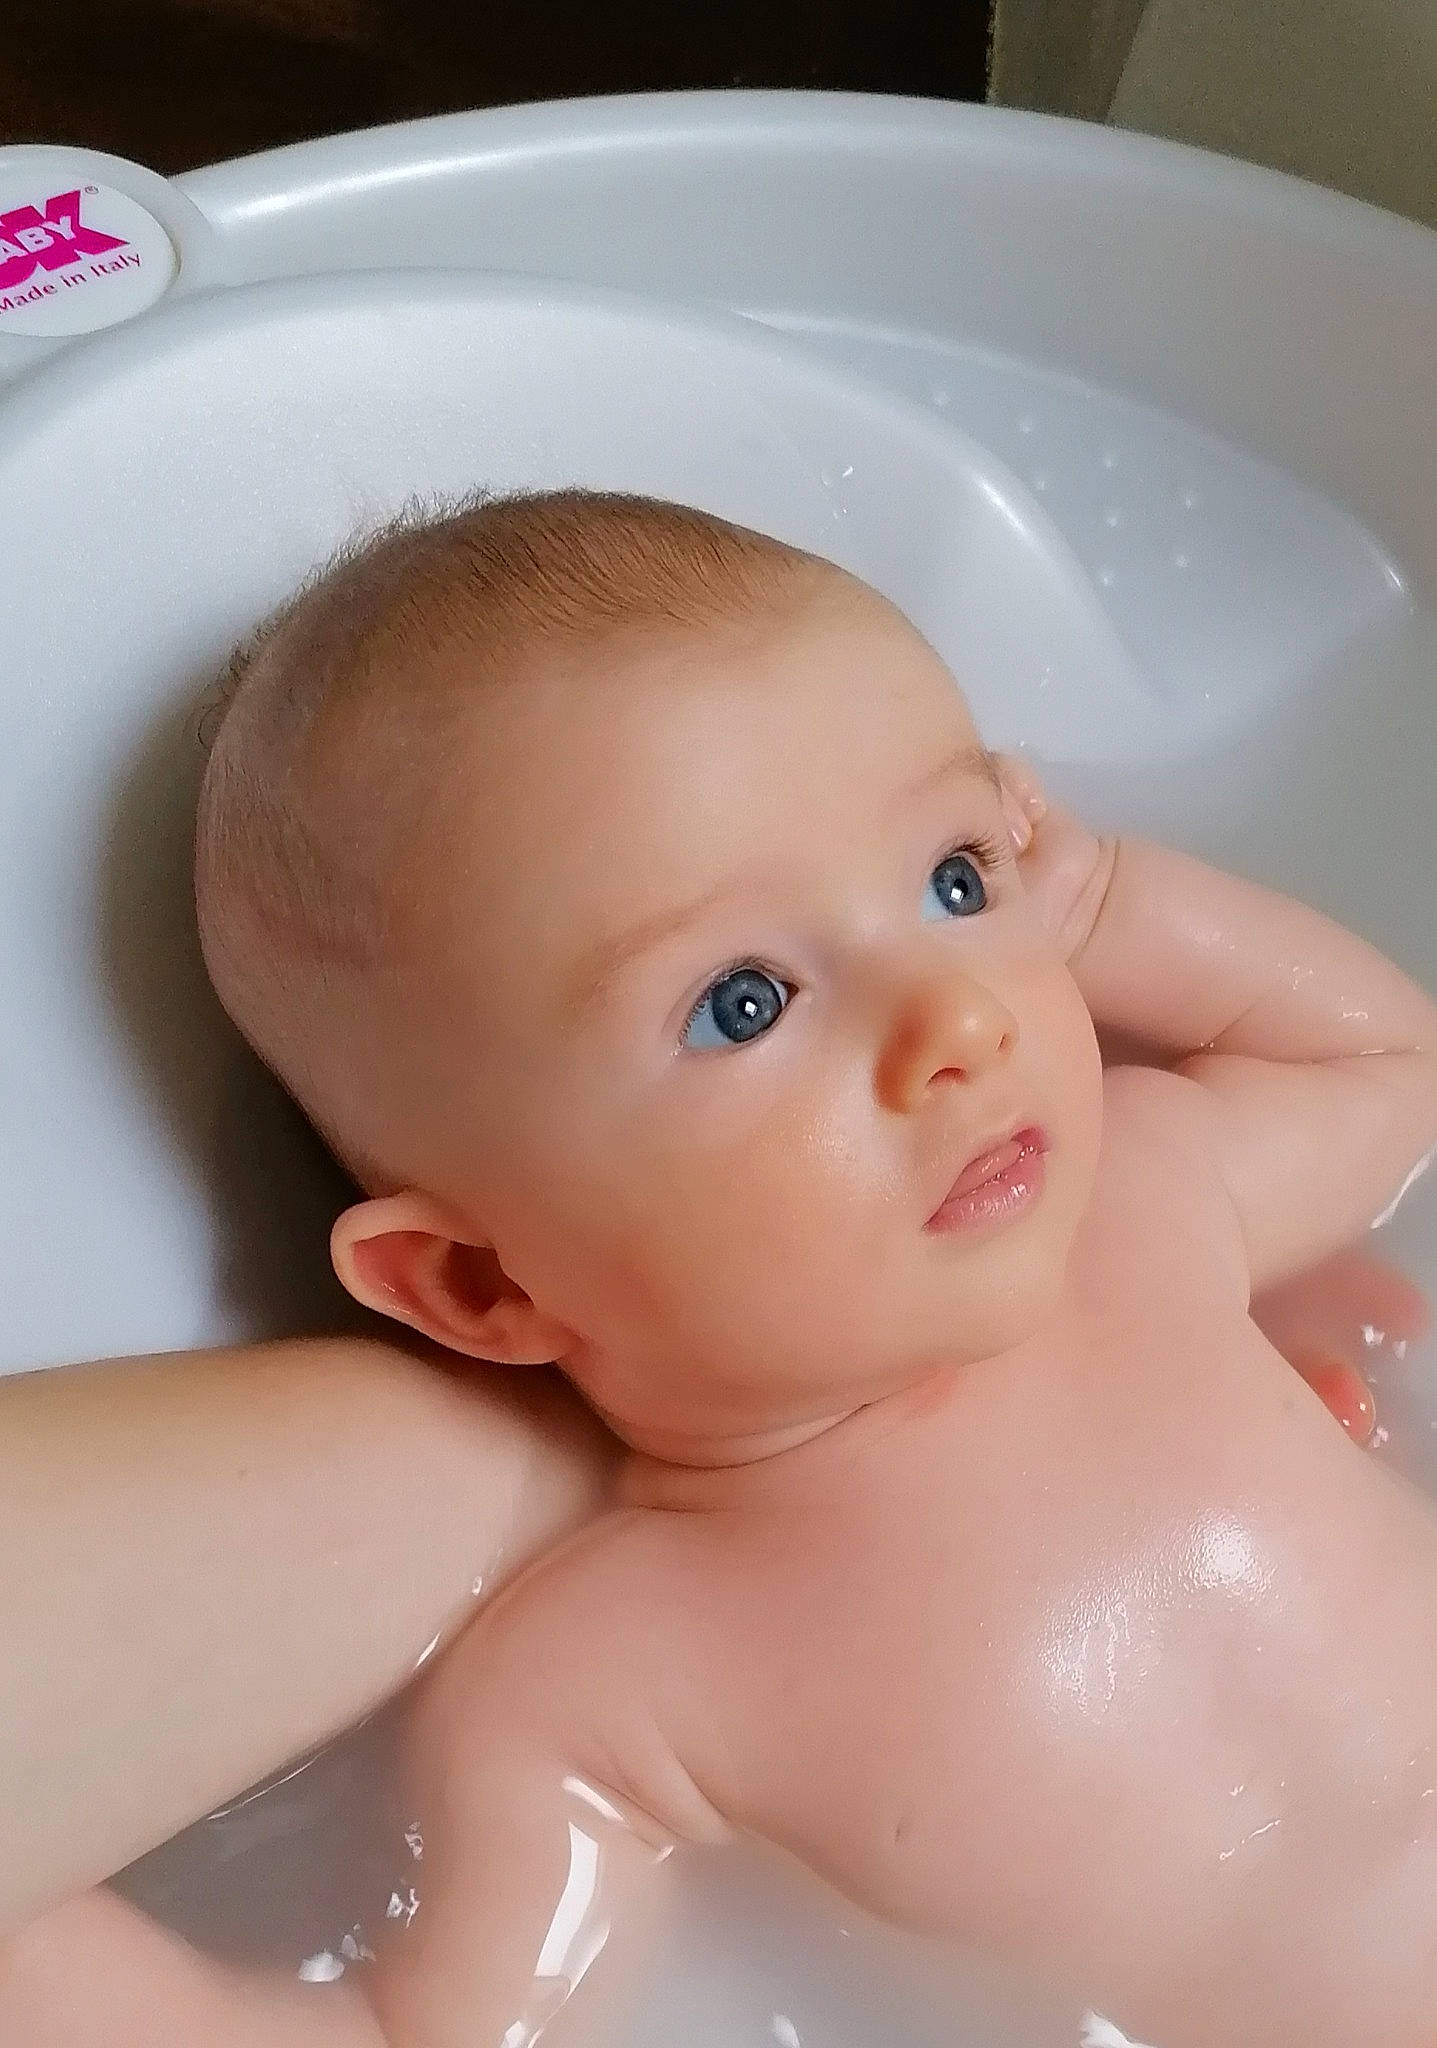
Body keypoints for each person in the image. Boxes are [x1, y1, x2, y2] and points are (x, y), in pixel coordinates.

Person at [5, 488, 1435, 2046]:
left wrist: (1092, 902)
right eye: (744, 1003)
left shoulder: (1147, 1216)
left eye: (954, 878)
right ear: (484, 1287)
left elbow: (1383, 1061)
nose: (960, 1019)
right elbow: (444, 2033)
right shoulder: (608, 1679)